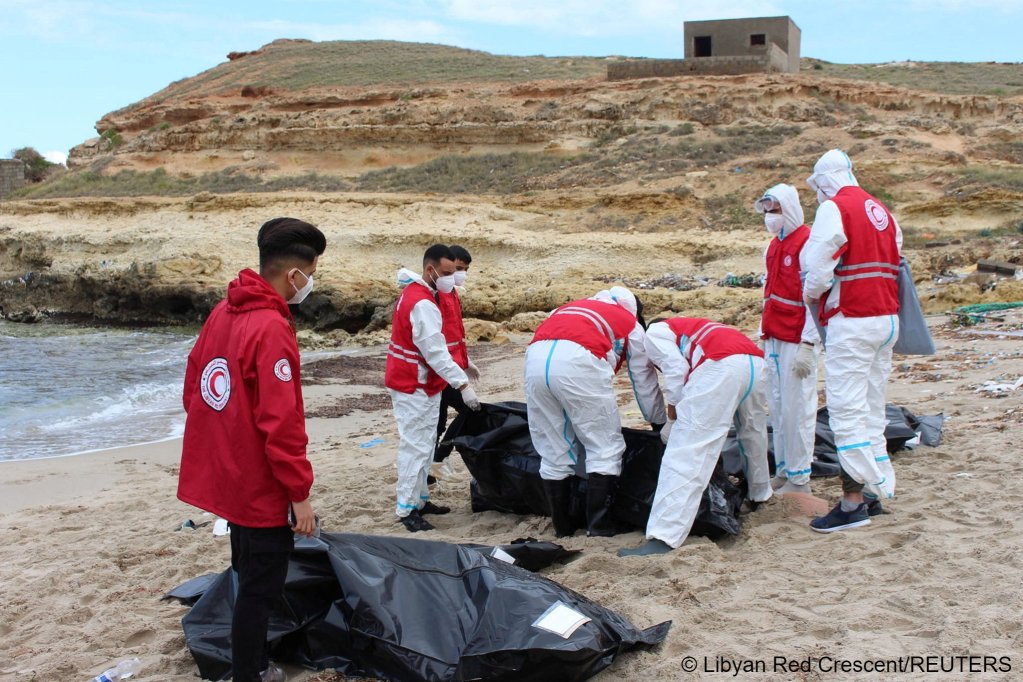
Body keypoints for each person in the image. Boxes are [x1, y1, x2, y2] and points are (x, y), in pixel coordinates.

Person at [178, 217, 325, 682]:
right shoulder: (270, 326)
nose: (311, 283)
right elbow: (282, 423)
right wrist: (299, 494)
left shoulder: (224, 311)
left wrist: (222, 439)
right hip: (259, 483)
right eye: (313, 271)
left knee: (245, 572)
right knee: (260, 590)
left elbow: (194, 386)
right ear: (294, 275)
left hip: (228, 471)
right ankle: (250, 672)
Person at [803, 149, 902, 533]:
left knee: (847, 411)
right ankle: (877, 490)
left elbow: (818, 267)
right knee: (873, 408)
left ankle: (852, 504)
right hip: (886, 318)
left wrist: (813, 295)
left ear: (824, 182)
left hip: (854, 320)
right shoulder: (882, 210)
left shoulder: (835, 209)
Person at [619, 316, 773, 557]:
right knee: (752, 433)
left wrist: (672, 417)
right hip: (754, 362)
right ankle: (760, 494)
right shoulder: (696, 326)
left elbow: (676, 370)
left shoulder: (655, 333)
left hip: (720, 366)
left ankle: (663, 537)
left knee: (685, 452)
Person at [524, 287, 666, 538]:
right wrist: (658, 422)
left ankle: (562, 527)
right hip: (580, 363)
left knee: (554, 447)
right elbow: (643, 381)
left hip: (534, 361)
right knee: (604, 446)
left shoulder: (568, 307)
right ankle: (599, 526)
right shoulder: (628, 323)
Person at [386, 244, 482, 532]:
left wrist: (463, 365)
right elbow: (435, 352)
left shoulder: (419, 294)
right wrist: (462, 383)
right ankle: (407, 508)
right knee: (416, 446)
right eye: (447, 273)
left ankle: (420, 499)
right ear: (430, 270)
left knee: (425, 442)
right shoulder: (423, 303)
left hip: (420, 381)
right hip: (413, 382)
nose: (451, 279)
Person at [754, 184, 820, 495]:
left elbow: (813, 297)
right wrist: (763, 332)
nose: (770, 216)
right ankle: (783, 468)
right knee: (778, 406)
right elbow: (769, 291)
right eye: (767, 210)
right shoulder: (772, 246)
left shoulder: (807, 244)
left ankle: (800, 476)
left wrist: (809, 342)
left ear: (789, 209)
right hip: (774, 335)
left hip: (796, 336)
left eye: (775, 210)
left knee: (798, 407)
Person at [433, 244, 480, 468]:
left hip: (451, 368)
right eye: (458, 269)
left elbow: (454, 333)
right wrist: (462, 384)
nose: (461, 275)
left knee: (466, 413)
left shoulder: (451, 293)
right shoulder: (434, 296)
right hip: (438, 371)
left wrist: (465, 361)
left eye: (465, 270)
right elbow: (435, 341)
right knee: (439, 422)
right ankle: (436, 460)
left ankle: (438, 458)